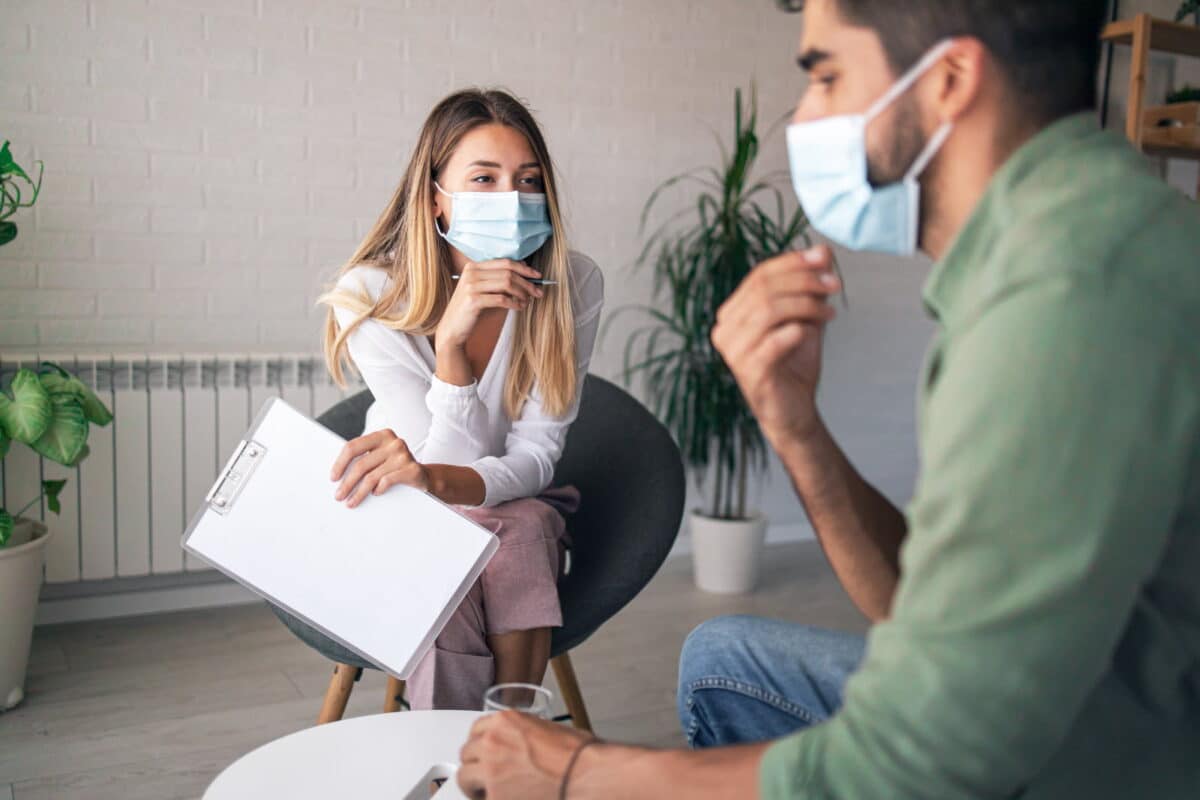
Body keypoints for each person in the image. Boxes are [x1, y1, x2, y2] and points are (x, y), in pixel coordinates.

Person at [454, 0, 1200, 797]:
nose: (803, 117)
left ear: (949, 79)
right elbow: (911, 609)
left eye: (826, 76)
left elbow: (922, 759)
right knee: (723, 659)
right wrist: (793, 422)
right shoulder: (1065, 237)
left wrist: (577, 769)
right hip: (1076, 692)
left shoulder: (1063, 300)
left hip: (1110, 756)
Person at [320, 88, 604, 710]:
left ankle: (504, 738)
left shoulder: (573, 285)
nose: (513, 200)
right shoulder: (369, 296)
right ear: (435, 198)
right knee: (454, 553)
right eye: (483, 179)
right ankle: (465, 754)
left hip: (506, 500)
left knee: (521, 529)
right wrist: (450, 348)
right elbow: (423, 480)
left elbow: (536, 458)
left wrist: (439, 478)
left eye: (528, 181)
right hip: (404, 508)